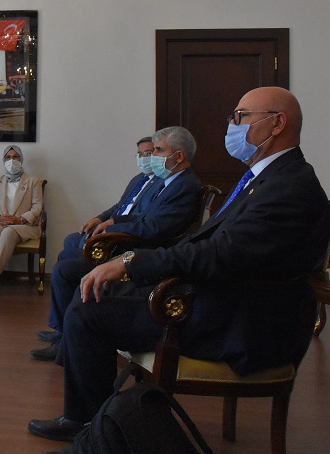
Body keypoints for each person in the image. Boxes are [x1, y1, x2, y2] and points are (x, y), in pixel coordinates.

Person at [28, 87, 328, 443]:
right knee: (94, 295)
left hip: (238, 322)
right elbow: (209, 244)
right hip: (222, 300)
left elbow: (220, 255)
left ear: (277, 123)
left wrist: (133, 261)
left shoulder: (288, 187)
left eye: (241, 116)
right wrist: (138, 266)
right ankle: (98, 426)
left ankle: (91, 431)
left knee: (88, 313)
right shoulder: (268, 178)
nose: (232, 125)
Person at [31, 129, 202, 361]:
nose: (153, 156)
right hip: (129, 246)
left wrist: (111, 230)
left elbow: (154, 229)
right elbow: (137, 216)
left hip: (140, 256)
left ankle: (65, 341)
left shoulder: (184, 185)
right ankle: (64, 337)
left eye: (158, 150)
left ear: (179, 156)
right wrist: (110, 222)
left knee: (65, 269)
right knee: (66, 265)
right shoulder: (168, 181)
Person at [0, 145, 44, 297]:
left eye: (15, 156)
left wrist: (20, 219)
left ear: (21, 159)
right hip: (0, 223)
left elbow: (37, 208)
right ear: (4, 160)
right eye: (8, 157)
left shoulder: (33, 181)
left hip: (24, 225)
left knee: (8, 232)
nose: (12, 160)